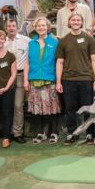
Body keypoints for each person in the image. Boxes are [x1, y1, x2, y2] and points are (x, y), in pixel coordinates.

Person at [56, 14, 95, 145]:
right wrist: (59, 81)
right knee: (70, 109)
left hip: (86, 79)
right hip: (68, 79)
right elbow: (59, 62)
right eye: (73, 20)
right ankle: (71, 134)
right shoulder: (63, 40)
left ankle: (89, 135)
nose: (76, 22)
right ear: (69, 23)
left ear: (82, 22)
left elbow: (94, 59)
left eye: (78, 20)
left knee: (88, 108)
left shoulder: (89, 38)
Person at [24, 17, 61, 145]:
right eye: (38, 26)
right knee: (37, 109)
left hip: (49, 79)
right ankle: (40, 133)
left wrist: (58, 80)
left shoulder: (54, 42)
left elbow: (58, 63)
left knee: (52, 108)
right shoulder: (31, 43)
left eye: (43, 25)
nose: (41, 28)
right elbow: (27, 62)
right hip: (34, 79)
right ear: (35, 28)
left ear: (48, 27)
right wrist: (25, 80)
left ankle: (54, 132)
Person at [4, 19, 31, 144]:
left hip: (20, 76)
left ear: (17, 27)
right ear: (6, 28)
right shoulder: (1, 42)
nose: (11, 28)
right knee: (6, 106)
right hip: (5, 77)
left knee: (18, 105)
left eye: (13, 25)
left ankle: (17, 133)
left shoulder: (26, 41)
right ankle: (6, 133)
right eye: (9, 26)